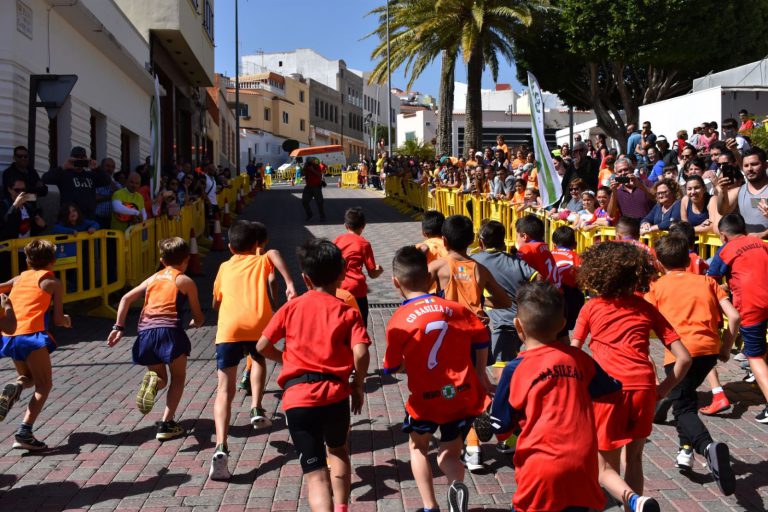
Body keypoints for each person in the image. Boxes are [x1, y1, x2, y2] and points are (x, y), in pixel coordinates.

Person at [572, 241, 691, 512]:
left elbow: (574, 351)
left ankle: (635, 501)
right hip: (644, 388)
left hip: (608, 390)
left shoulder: (591, 307)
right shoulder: (646, 308)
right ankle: (634, 506)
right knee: (635, 459)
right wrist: (662, 389)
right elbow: (684, 358)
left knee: (605, 468)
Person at [256, 239, 370, 512]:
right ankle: (342, 507)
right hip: (335, 394)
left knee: (316, 474)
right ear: (342, 274)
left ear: (305, 278)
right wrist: (358, 384)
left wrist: (284, 358)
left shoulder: (291, 307)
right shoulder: (348, 311)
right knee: (339, 450)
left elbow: (261, 346)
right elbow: (362, 352)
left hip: (297, 399)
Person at [490, 282, 621, 512]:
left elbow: (500, 427)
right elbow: (611, 390)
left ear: (518, 326)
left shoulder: (514, 369)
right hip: (582, 462)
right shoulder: (580, 360)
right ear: (562, 325)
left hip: (539, 465)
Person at [383, 246, 491, 512]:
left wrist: (410, 365)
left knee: (418, 447)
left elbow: (392, 366)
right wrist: (479, 371)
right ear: (430, 280)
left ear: (396, 282)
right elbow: (481, 337)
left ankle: (430, 506)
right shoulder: (456, 309)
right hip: (459, 394)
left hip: (427, 399)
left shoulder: (399, 319)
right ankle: (456, 484)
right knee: (450, 453)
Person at [645, 234, 738, 495]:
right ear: (689, 258)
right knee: (684, 398)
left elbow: (643, 320)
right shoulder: (708, 281)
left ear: (659, 263)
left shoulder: (657, 286)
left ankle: (706, 447)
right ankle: (685, 450)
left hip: (679, 354)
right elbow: (734, 315)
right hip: (708, 351)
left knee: (683, 408)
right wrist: (726, 348)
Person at [209, 220, 296, 480]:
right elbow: (274, 253)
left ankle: (221, 445)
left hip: (229, 329)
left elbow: (215, 302)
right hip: (258, 323)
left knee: (225, 389)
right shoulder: (262, 260)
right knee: (258, 359)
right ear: (256, 244)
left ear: (230, 247)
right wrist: (290, 282)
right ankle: (256, 407)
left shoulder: (224, 267)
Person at [427, 215, 511, 471]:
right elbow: (505, 300)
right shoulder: (479, 268)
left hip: (449, 336)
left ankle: (461, 437)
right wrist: (485, 305)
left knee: (449, 385)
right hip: (477, 334)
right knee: (478, 383)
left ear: (444, 240)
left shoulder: (439, 267)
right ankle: (485, 415)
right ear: (472, 241)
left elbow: (415, 294)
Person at [107, 238, 204, 440]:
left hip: (146, 333)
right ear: (186, 260)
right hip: (170, 332)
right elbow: (198, 314)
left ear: (162, 260)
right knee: (178, 378)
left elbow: (125, 298)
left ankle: (153, 383)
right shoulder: (184, 281)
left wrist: (119, 327)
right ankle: (167, 423)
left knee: (160, 377)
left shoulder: (152, 279)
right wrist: (197, 321)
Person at [0, 240, 71, 450]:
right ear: (53, 260)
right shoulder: (52, 283)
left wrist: (5, 304)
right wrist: (66, 320)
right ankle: (25, 431)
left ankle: (17, 386)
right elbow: (58, 320)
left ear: (28, 260)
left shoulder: (20, 277)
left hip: (10, 335)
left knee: (28, 378)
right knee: (44, 384)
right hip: (31, 335)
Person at [707, 214, 768, 422]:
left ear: (723, 236)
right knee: (761, 349)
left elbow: (710, 280)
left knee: (755, 357)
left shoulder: (726, 250)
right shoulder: (760, 243)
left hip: (751, 304)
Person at [472, 221, 536, 380]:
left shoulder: (474, 260)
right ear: (503, 240)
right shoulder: (515, 260)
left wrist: (482, 301)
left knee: (500, 372)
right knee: (513, 362)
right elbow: (539, 278)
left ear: (481, 242)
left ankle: (508, 402)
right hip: (521, 318)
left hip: (504, 324)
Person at [334, 208, 384, 328]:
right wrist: (379, 270)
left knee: (340, 325)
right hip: (357, 289)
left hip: (338, 288)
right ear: (363, 226)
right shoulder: (364, 244)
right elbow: (372, 273)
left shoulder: (337, 240)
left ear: (345, 225)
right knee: (360, 326)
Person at [42, 146, 110, 219]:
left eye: (82, 158)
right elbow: (45, 179)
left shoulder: (91, 175)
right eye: (76, 157)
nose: (79, 160)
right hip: (70, 219)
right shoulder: (64, 174)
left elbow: (107, 181)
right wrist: (63, 167)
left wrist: (97, 168)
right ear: (71, 158)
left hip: (88, 219)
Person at [716, 147, 768, 238]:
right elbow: (723, 211)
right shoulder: (739, 191)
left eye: (754, 164)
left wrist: (763, 234)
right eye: (746, 165)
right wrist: (723, 191)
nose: (750, 169)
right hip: (748, 247)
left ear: (765, 165)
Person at [551, 226, 585, 339]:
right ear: (575, 245)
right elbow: (581, 280)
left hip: (548, 292)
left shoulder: (548, 254)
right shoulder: (577, 257)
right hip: (568, 295)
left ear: (554, 245)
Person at [514, 215, 559, 286]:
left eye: (517, 236)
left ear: (524, 236)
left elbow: (516, 272)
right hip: (555, 291)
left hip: (542, 293)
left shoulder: (527, 248)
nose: (516, 240)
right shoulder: (544, 246)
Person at [93, 158, 120, 229]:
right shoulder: (95, 182)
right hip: (98, 220)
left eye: (112, 167)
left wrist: (109, 180)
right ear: (101, 167)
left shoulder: (117, 184)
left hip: (113, 220)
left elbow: (120, 197)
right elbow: (94, 198)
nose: (110, 169)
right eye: (107, 166)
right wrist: (110, 196)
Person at [302, 157, 326, 222]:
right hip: (308, 187)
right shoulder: (306, 167)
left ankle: (322, 216)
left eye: (309, 162)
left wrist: (312, 169)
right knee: (304, 202)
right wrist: (304, 168)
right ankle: (309, 214)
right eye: (307, 162)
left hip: (316, 187)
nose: (309, 163)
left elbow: (319, 175)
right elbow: (303, 174)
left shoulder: (317, 166)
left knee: (319, 203)